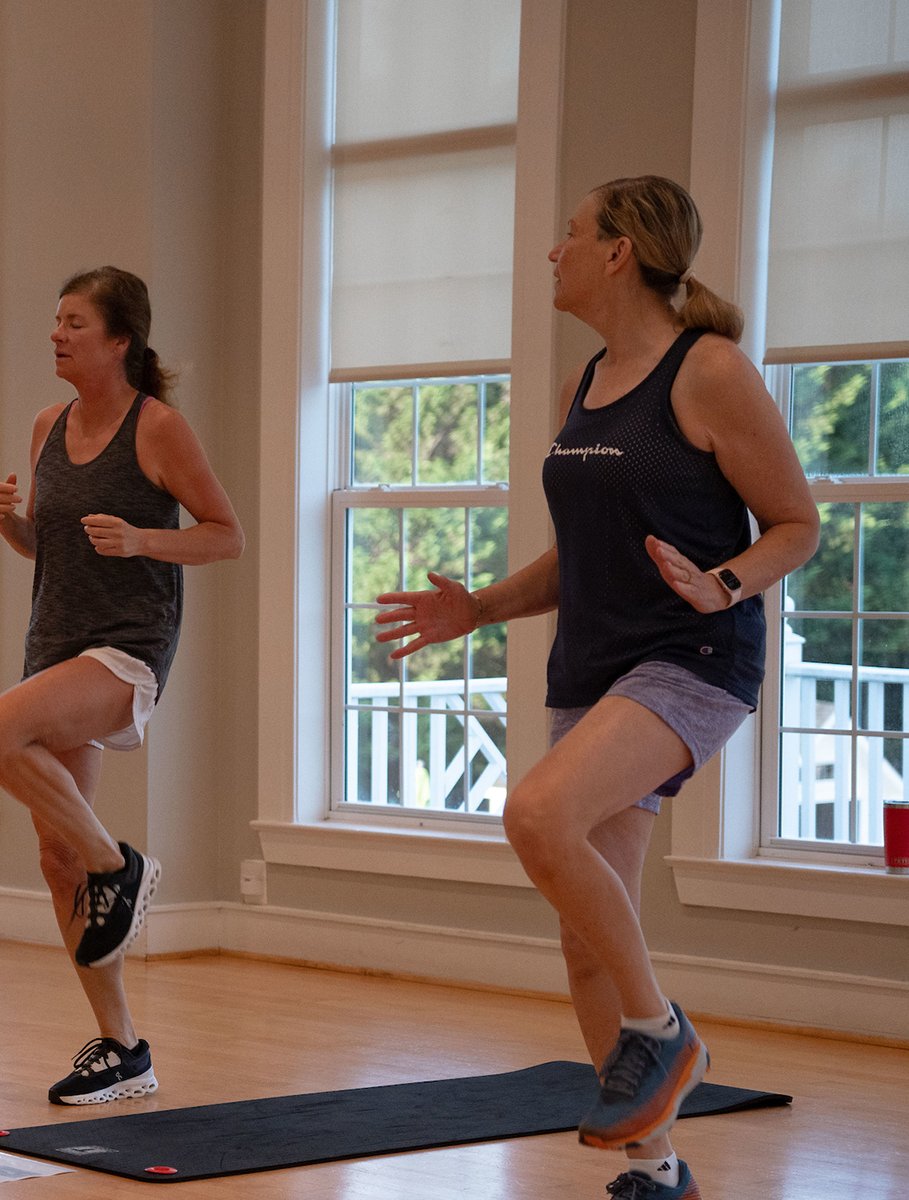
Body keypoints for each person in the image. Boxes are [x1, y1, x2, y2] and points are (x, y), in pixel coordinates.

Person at [375, 176, 818, 1200]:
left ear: (619, 252)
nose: (553, 251)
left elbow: (796, 523)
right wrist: (480, 609)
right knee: (584, 948)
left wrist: (722, 584)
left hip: (692, 655)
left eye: (569, 234)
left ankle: (663, 1032)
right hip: (593, 662)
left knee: (535, 814)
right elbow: (582, 554)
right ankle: (657, 1172)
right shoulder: (591, 379)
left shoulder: (709, 371)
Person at [0, 266, 244, 1106]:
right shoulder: (47, 425)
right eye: (56, 321)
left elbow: (225, 536)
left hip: (127, 648)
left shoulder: (158, 429)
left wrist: (143, 540)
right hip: (53, 644)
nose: (56, 334)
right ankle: (124, 1048)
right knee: (57, 857)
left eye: (74, 323)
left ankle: (118, 863)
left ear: (120, 340)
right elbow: (45, 548)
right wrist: (9, 522)